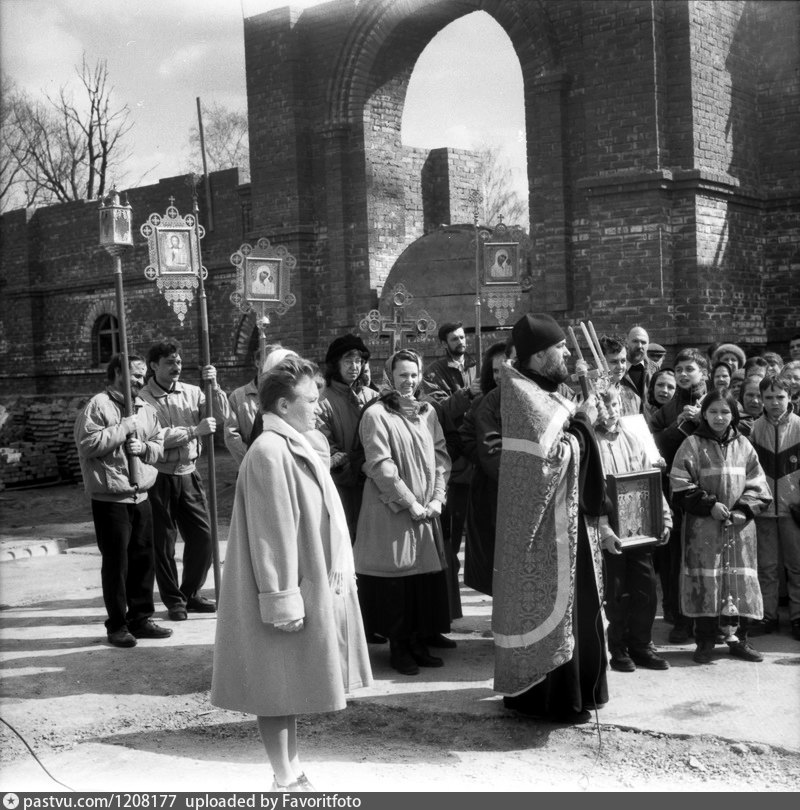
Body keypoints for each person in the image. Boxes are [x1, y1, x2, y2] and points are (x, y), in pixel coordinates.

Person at [211, 356, 371, 792]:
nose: (318, 407)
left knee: (287, 682)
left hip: (301, 580)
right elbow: (272, 533)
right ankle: (285, 777)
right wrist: (281, 599)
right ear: (283, 406)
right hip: (282, 587)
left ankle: (292, 768)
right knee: (275, 684)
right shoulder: (268, 452)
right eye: (310, 400)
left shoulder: (289, 443)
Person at [494, 313, 611, 725]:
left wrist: (594, 424)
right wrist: (585, 422)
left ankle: (584, 686)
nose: (566, 354)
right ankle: (549, 697)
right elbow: (553, 458)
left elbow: (571, 439)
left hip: (568, 518)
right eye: (560, 348)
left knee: (580, 604)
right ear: (540, 355)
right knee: (554, 602)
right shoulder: (522, 393)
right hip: (542, 527)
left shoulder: (549, 389)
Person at [354, 349, 452, 676]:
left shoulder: (428, 413)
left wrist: (437, 499)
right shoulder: (377, 415)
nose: (408, 381)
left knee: (420, 580)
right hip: (391, 509)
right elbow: (380, 466)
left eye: (413, 375)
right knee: (396, 581)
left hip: (426, 508)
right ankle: (399, 647)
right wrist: (410, 502)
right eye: (402, 375)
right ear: (389, 377)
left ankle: (417, 642)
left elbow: (440, 458)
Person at [74, 353, 172, 648]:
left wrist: (144, 446)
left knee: (144, 560)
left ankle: (140, 618)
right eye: (135, 376)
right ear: (118, 372)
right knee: (117, 564)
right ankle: (117, 624)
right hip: (111, 499)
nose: (141, 381)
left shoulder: (144, 407)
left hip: (141, 494)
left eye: (143, 376)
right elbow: (87, 444)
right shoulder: (98, 405)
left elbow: (158, 443)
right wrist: (122, 429)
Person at [669, 389, 772, 664]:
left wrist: (742, 510)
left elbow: (759, 486)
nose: (719, 417)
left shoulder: (744, 445)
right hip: (703, 530)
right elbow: (679, 484)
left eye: (725, 412)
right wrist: (709, 505)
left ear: (733, 415)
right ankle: (704, 641)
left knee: (739, 581)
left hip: (739, 529)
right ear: (704, 413)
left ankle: (739, 640)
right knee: (707, 580)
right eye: (713, 411)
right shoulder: (691, 443)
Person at [139, 341, 230, 621]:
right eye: (169, 362)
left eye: (178, 362)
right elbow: (154, 437)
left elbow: (219, 418)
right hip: (158, 476)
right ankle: (174, 600)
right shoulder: (143, 399)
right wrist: (192, 431)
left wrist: (214, 387)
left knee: (204, 537)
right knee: (163, 542)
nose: (176, 367)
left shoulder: (193, 392)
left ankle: (190, 593)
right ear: (154, 366)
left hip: (189, 473)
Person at [593, 387, 672, 672]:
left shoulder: (633, 437)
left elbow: (650, 480)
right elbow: (590, 490)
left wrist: (663, 517)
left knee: (646, 588)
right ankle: (618, 647)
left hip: (639, 525)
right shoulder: (589, 440)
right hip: (609, 529)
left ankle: (642, 644)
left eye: (614, 404)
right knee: (616, 590)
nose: (610, 411)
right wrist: (603, 528)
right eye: (603, 406)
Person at [317, 335, 381, 643]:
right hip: (345, 490)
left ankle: (373, 622)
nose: (354, 367)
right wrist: (343, 458)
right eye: (348, 361)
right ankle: (351, 630)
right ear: (335, 365)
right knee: (347, 555)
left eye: (359, 361)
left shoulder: (373, 395)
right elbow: (325, 448)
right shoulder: (324, 400)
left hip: (376, 486)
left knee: (373, 555)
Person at [423, 321, 481, 635]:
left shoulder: (477, 366)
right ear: (444, 342)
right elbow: (437, 411)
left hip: (479, 465)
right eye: (454, 338)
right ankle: (448, 613)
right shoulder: (434, 372)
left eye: (463, 336)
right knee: (449, 544)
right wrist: (466, 393)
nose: (460, 341)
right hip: (456, 469)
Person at [651, 348, 709, 642]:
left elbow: (735, 433)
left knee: (707, 556)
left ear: (704, 373)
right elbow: (654, 445)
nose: (684, 374)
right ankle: (679, 618)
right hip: (674, 493)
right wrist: (678, 425)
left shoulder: (716, 402)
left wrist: (705, 420)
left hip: (709, 491)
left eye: (691, 369)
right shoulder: (668, 409)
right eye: (680, 369)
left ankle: (711, 620)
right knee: (676, 558)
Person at [748, 377, 800, 641]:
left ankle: (798, 617)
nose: (774, 403)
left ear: (789, 396)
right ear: (761, 399)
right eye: (768, 398)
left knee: (797, 566)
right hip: (765, 509)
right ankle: (767, 616)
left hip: (794, 509)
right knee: (766, 566)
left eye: (780, 397)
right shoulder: (754, 429)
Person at [459, 340, 510, 596]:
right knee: (494, 557)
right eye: (496, 371)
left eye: (505, 369)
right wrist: (485, 456)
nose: (501, 376)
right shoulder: (482, 403)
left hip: (519, 485)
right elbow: (465, 438)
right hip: (488, 490)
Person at [224, 347, 272, 467]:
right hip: (250, 466)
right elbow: (231, 435)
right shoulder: (238, 396)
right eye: (269, 360)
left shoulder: (285, 395)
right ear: (257, 362)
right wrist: (251, 461)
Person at [600, 334, 641, 416]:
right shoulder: (593, 396)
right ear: (600, 362)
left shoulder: (633, 396)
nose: (620, 367)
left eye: (623, 361)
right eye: (614, 362)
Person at [621, 325, 657, 408]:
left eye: (643, 342)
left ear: (648, 345)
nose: (640, 346)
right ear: (627, 342)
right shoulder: (617, 369)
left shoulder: (654, 369)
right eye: (635, 341)